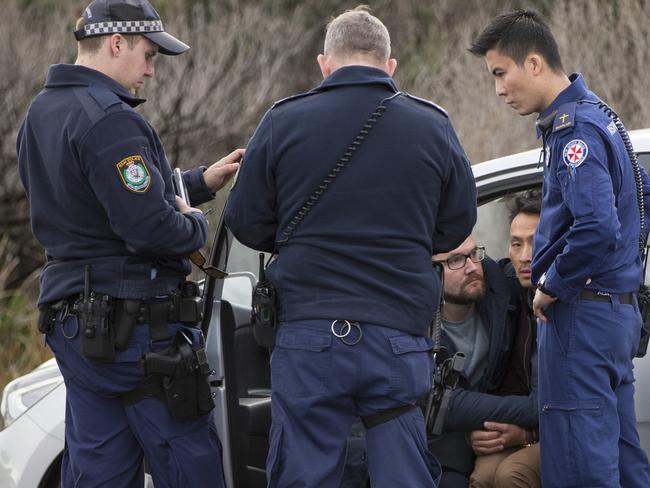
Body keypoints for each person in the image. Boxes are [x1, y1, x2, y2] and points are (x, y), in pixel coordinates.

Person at [225, 6, 476, 487]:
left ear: (324, 63)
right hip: (398, 338)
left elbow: (245, 222)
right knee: (403, 469)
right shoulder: (433, 126)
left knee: (304, 472)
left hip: (309, 337)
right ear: (390, 66)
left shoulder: (282, 121)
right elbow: (455, 226)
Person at [16, 0, 242, 486]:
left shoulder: (43, 111)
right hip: (137, 334)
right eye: (148, 54)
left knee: (99, 471)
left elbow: (100, 203)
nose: (151, 71)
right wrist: (197, 226)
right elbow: (150, 229)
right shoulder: (112, 120)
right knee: (191, 466)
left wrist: (199, 181)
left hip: (80, 330)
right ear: (116, 43)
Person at [470, 10, 650, 487]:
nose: (499, 90)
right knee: (621, 460)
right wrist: (622, 271)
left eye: (500, 73)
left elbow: (595, 226)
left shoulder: (573, 131)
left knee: (579, 467)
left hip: (582, 318)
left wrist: (553, 284)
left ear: (533, 63)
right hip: (610, 313)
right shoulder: (600, 115)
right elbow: (641, 192)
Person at [427, 234, 536, 488]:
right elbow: (449, 403)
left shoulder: (502, 294)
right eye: (455, 260)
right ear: (429, 272)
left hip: (493, 436)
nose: (473, 267)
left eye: (474, 254)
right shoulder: (416, 322)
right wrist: (535, 409)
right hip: (436, 445)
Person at [468, 190, 542, 488]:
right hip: (519, 418)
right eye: (516, 244)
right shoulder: (508, 291)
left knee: (511, 476)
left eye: (536, 243)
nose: (525, 257)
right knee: (483, 477)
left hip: (558, 425)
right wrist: (480, 429)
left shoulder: (572, 300)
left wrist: (527, 435)